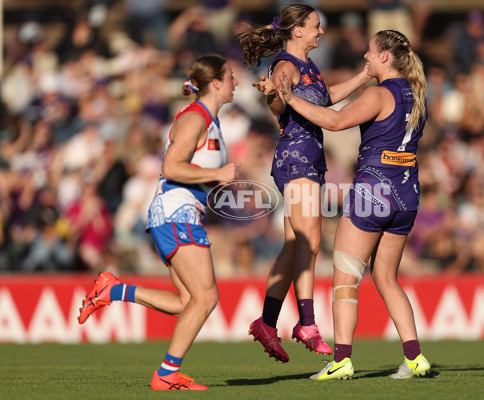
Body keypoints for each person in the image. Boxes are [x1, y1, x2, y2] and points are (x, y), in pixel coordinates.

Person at [77, 54, 240, 390]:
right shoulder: (196, 118)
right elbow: (170, 167)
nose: (236, 82)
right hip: (176, 212)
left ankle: (113, 289)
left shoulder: (207, 118)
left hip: (175, 213)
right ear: (217, 83)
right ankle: (166, 373)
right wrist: (217, 173)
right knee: (206, 298)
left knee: (187, 302)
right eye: (232, 77)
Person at [277, 29, 431, 380]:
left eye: (370, 52)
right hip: (407, 194)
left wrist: (291, 99)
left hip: (374, 190)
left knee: (345, 279)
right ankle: (414, 357)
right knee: (387, 278)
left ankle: (342, 360)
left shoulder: (380, 94)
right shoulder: (417, 93)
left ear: (385, 58)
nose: (365, 56)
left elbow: (335, 121)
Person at [237, 3, 372, 363]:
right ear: (298, 31)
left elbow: (325, 101)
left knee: (295, 244)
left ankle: (267, 322)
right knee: (310, 240)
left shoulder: (307, 67)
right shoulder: (285, 66)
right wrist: (271, 94)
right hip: (296, 160)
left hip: (308, 160)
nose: (321, 31)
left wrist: (363, 77)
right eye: (316, 26)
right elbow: (279, 107)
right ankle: (307, 323)